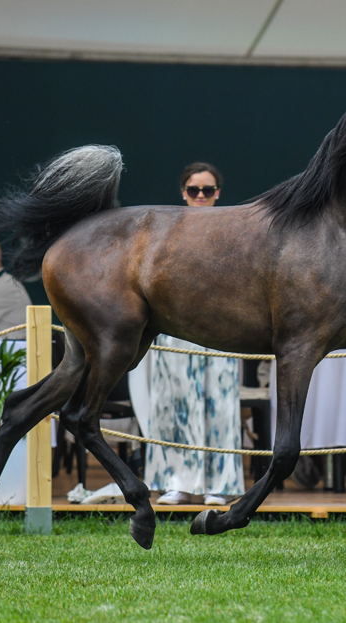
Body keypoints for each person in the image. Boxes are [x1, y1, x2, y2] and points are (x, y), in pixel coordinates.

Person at [131, 162, 244, 506]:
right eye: (194, 190)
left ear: (217, 194)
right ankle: (174, 483)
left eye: (207, 190)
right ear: (183, 192)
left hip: (223, 326)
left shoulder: (232, 228)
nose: (200, 196)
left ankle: (219, 484)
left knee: (221, 406)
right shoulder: (166, 227)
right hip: (174, 326)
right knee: (172, 404)